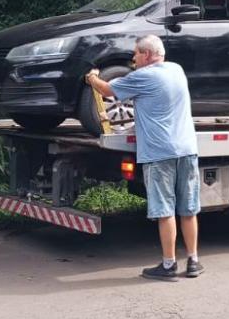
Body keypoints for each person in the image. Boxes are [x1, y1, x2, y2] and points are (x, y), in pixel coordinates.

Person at [85, 35, 202, 281]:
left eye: (136, 54)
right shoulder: (176, 70)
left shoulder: (143, 76)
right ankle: (193, 261)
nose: (133, 59)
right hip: (187, 149)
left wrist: (92, 77)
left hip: (160, 153)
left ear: (147, 55)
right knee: (188, 209)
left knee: (165, 211)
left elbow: (107, 90)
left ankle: (168, 265)